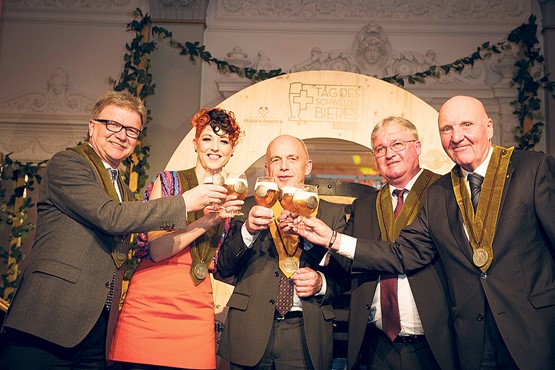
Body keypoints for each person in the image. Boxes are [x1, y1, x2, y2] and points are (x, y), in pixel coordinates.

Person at [284, 95, 555, 370]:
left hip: (532, 332)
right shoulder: (442, 193)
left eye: (466, 125)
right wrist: (332, 239)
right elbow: (404, 253)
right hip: (471, 344)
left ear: (489, 127)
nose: (457, 136)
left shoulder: (532, 169)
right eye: (447, 129)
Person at [0, 91, 229, 369]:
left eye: (132, 130)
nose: (122, 135)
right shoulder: (69, 163)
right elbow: (110, 217)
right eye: (113, 125)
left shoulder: (123, 187)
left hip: (97, 329)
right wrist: (186, 202)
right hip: (48, 322)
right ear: (91, 126)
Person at [109, 107, 243, 369]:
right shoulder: (170, 182)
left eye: (224, 141)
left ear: (232, 149)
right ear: (195, 143)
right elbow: (158, 249)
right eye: (207, 138)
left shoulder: (233, 197)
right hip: (150, 306)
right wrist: (208, 220)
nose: (215, 147)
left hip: (196, 307)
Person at [216, 134, 349, 370]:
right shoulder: (245, 207)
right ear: (267, 168)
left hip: (305, 336)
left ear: (307, 166)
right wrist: (248, 230)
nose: (284, 166)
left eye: (292, 158)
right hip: (250, 331)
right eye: (276, 160)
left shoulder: (331, 214)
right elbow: (223, 267)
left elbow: (344, 278)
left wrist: (321, 283)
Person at [345, 116, 455, 370]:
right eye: (380, 149)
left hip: (434, 346)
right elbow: (346, 267)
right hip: (376, 348)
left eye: (397, 144)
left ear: (417, 147)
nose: (389, 154)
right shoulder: (363, 207)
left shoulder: (446, 191)